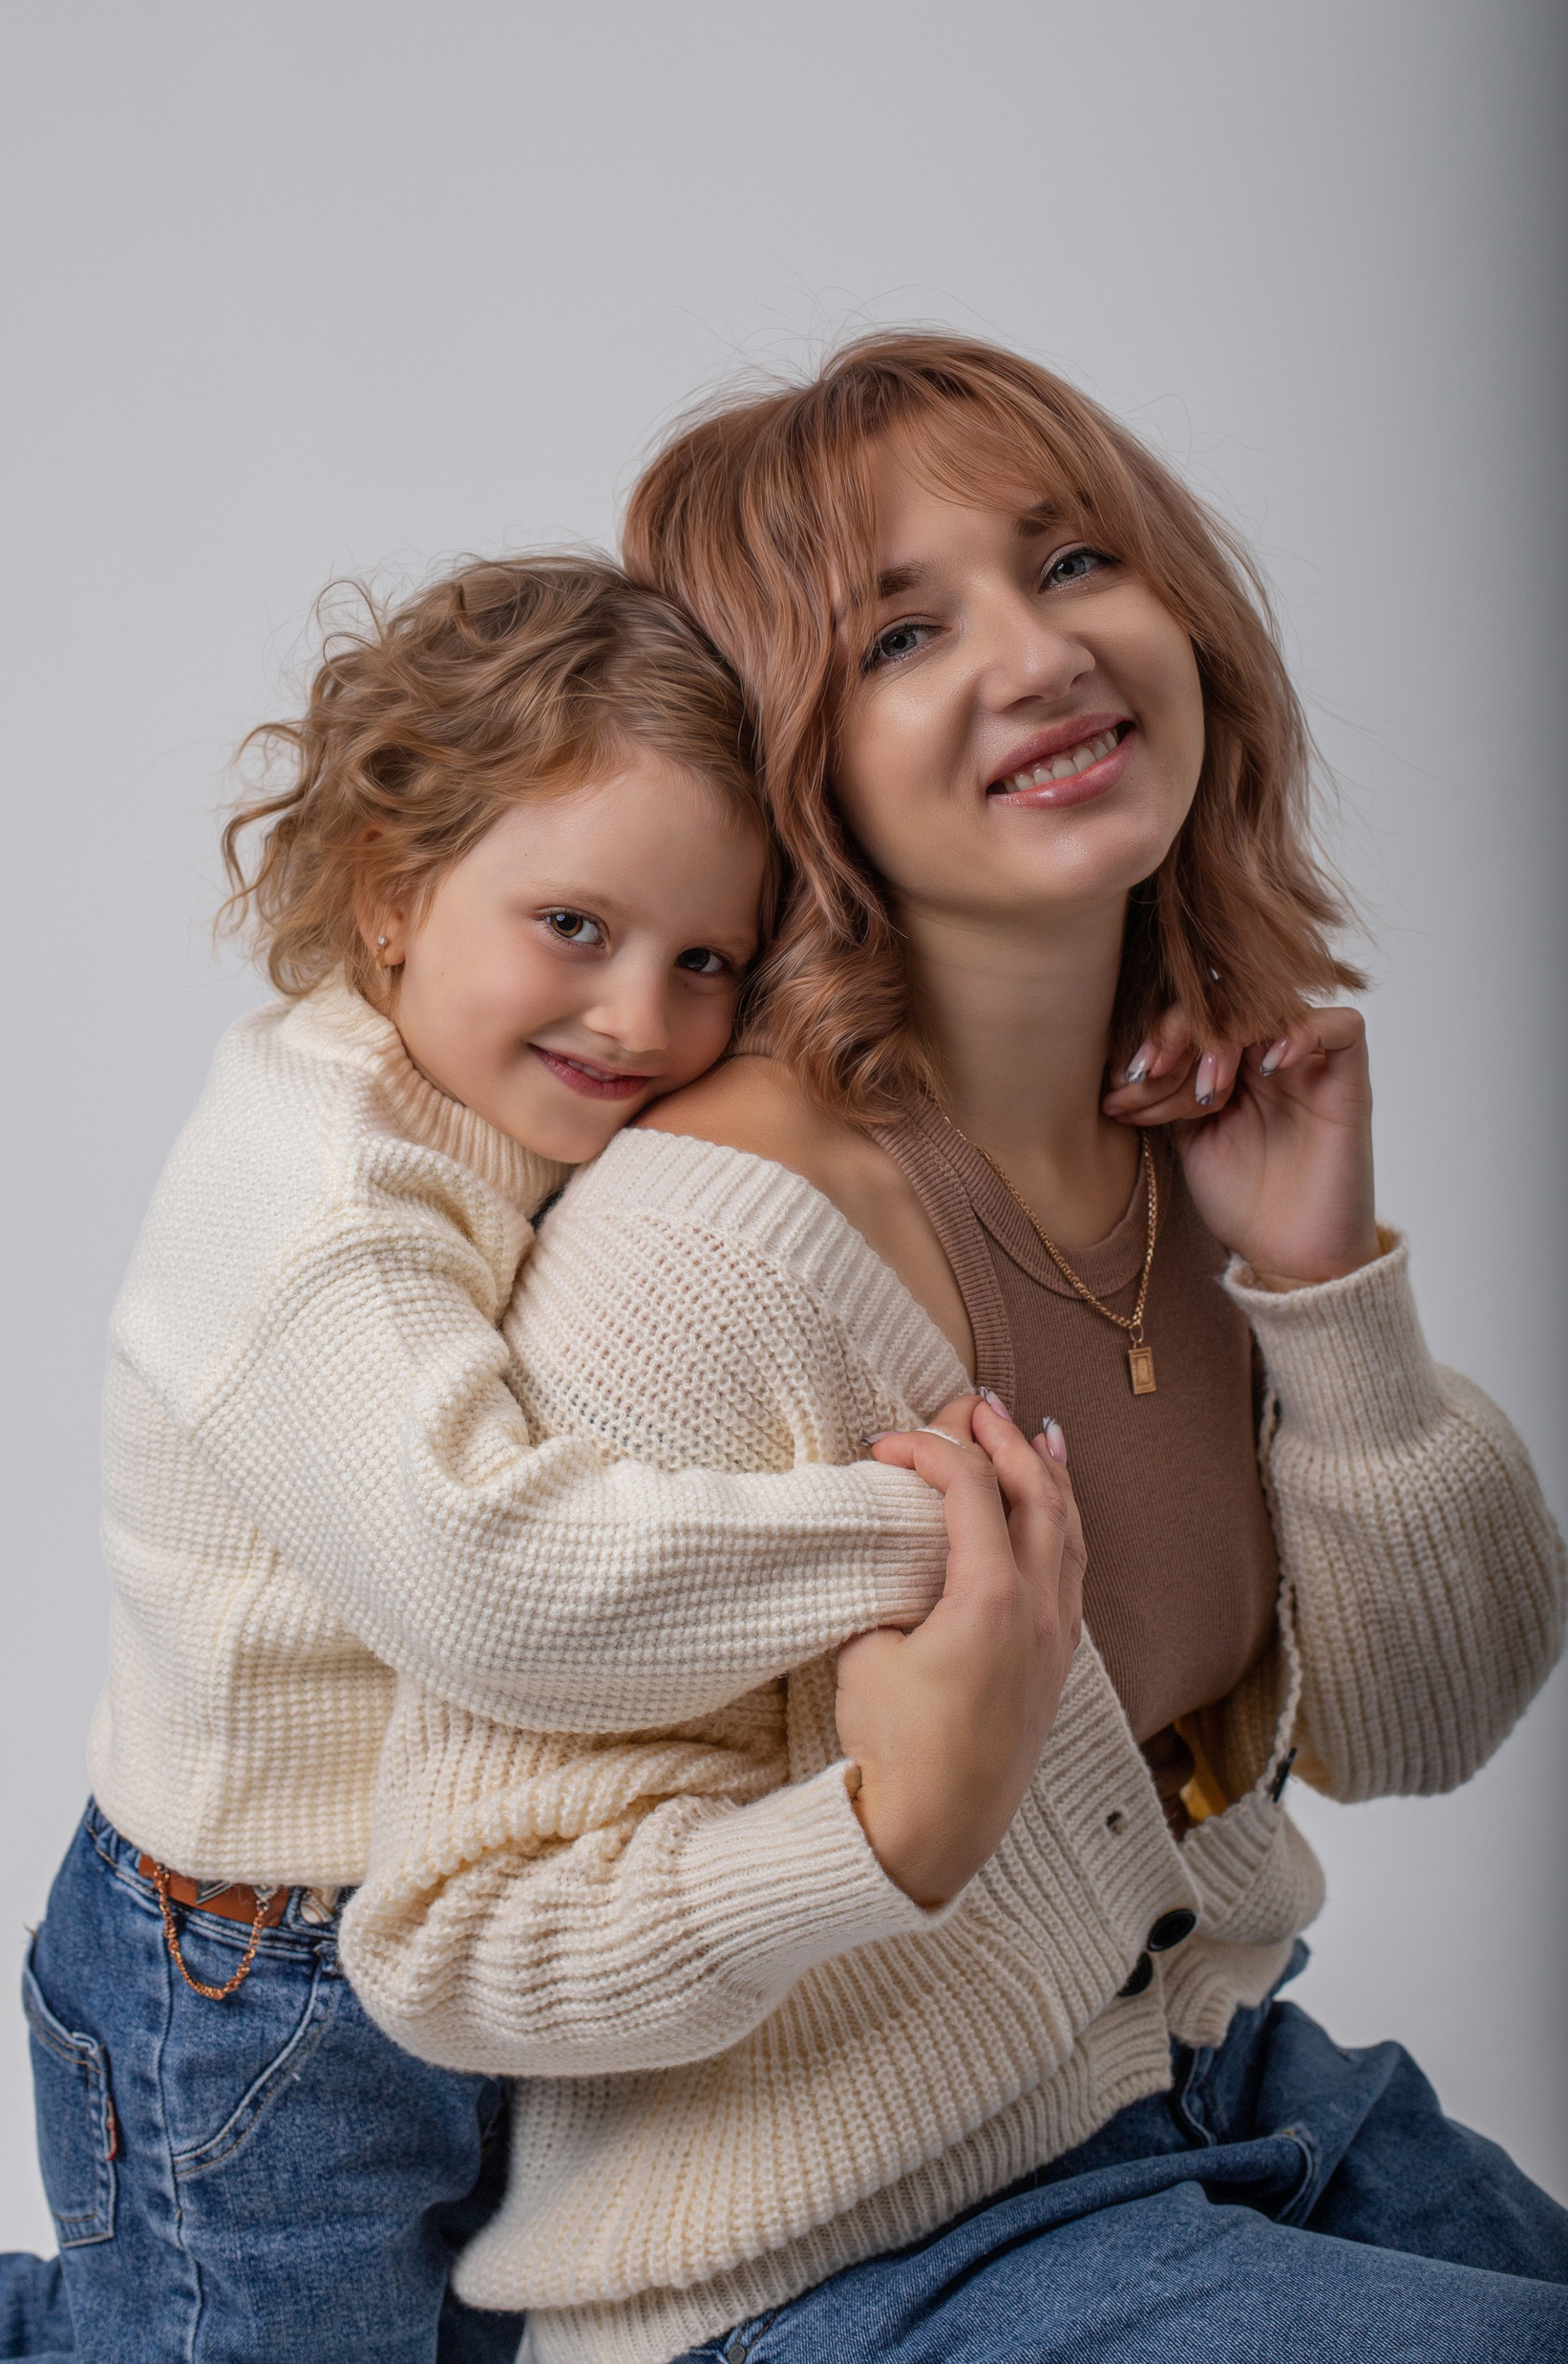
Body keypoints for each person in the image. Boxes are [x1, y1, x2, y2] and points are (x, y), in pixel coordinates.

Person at [338, 335, 1568, 2363]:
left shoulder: (1191, 1131)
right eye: (903, 634)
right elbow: (459, 1939)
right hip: (831, 2268)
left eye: (1074, 562)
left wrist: (1325, 1288)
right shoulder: (706, 1252)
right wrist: (881, 1832)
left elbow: (1424, 1725)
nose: (1041, 654)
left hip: (1223, 2096)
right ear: (789, 764)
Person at [0, 555, 966, 2364]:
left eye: (703, 960)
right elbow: (499, 1583)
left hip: (425, 1929)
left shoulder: (494, 1095)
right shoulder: (320, 1203)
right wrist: (919, 1538)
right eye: (574, 926)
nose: (639, 1018)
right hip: (251, 1981)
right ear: (394, 894)